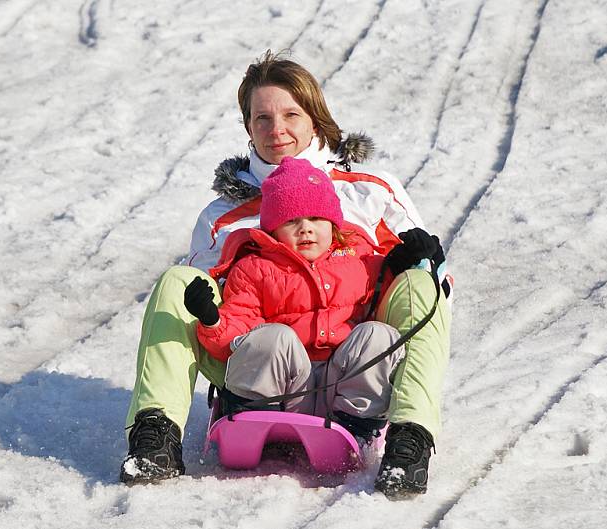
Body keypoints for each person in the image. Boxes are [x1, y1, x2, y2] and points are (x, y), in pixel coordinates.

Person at [120, 50, 452, 499]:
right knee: (177, 283)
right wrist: (214, 315)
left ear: (315, 119)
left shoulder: (368, 192)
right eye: (262, 118)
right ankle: (155, 436)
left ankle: (408, 442)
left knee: (421, 284)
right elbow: (204, 304)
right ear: (248, 128)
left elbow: (430, 290)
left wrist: (417, 260)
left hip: (352, 359)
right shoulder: (225, 216)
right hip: (257, 359)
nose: (276, 130)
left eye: (291, 114)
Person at [183, 156, 405, 441]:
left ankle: (357, 426)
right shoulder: (255, 268)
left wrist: (409, 262)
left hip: (339, 389)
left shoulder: (359, 262)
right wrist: (213, 320)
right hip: (282, 390)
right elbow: (237, 330)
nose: (305, 229)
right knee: (273, 336)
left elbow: (390, 302)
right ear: (273, 229)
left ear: (333, 222)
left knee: (378, 334)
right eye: (291, 221)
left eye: (315, 218)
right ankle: (251, 418)